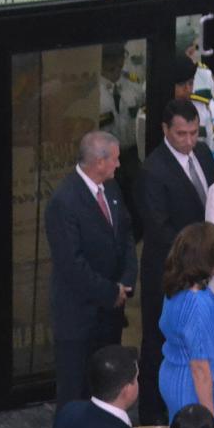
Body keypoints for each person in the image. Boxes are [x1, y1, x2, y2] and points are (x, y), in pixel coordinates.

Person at [135, 99, 214, 424]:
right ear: (165, 130)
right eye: (181, 134)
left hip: (201, 268)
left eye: (194, 132)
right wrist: (199, 255)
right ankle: (152, 414)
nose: (189, 140)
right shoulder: (153, 170)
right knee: (159, 342)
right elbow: (159, 228)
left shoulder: (204, 154)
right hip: (168, 270)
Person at [45, 131, 137, 409]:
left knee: (107, 391)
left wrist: (126, 281)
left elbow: (126, 236)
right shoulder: (64, 202)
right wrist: (111, 292)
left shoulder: (112, 188)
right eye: (115, 159)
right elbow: (72, 265)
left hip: (110, 316)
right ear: (99, 162)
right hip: (79, 319)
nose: (119, 164)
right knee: (75, 394)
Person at [160, 223, 214, 426]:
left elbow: (185, 331)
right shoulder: (197, 303)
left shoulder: (178, 285)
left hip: (174, 374)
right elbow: (200, 368)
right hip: (193, 388)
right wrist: (208, 423)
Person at [98, 42, 145, 241]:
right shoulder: (93, 92)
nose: (116, 65)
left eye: (119, 59)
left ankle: (135, 237)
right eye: (110, 60)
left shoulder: (133, 87)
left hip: (130, 154)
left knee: (136, 198)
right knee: (110, 200)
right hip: (104, 158)